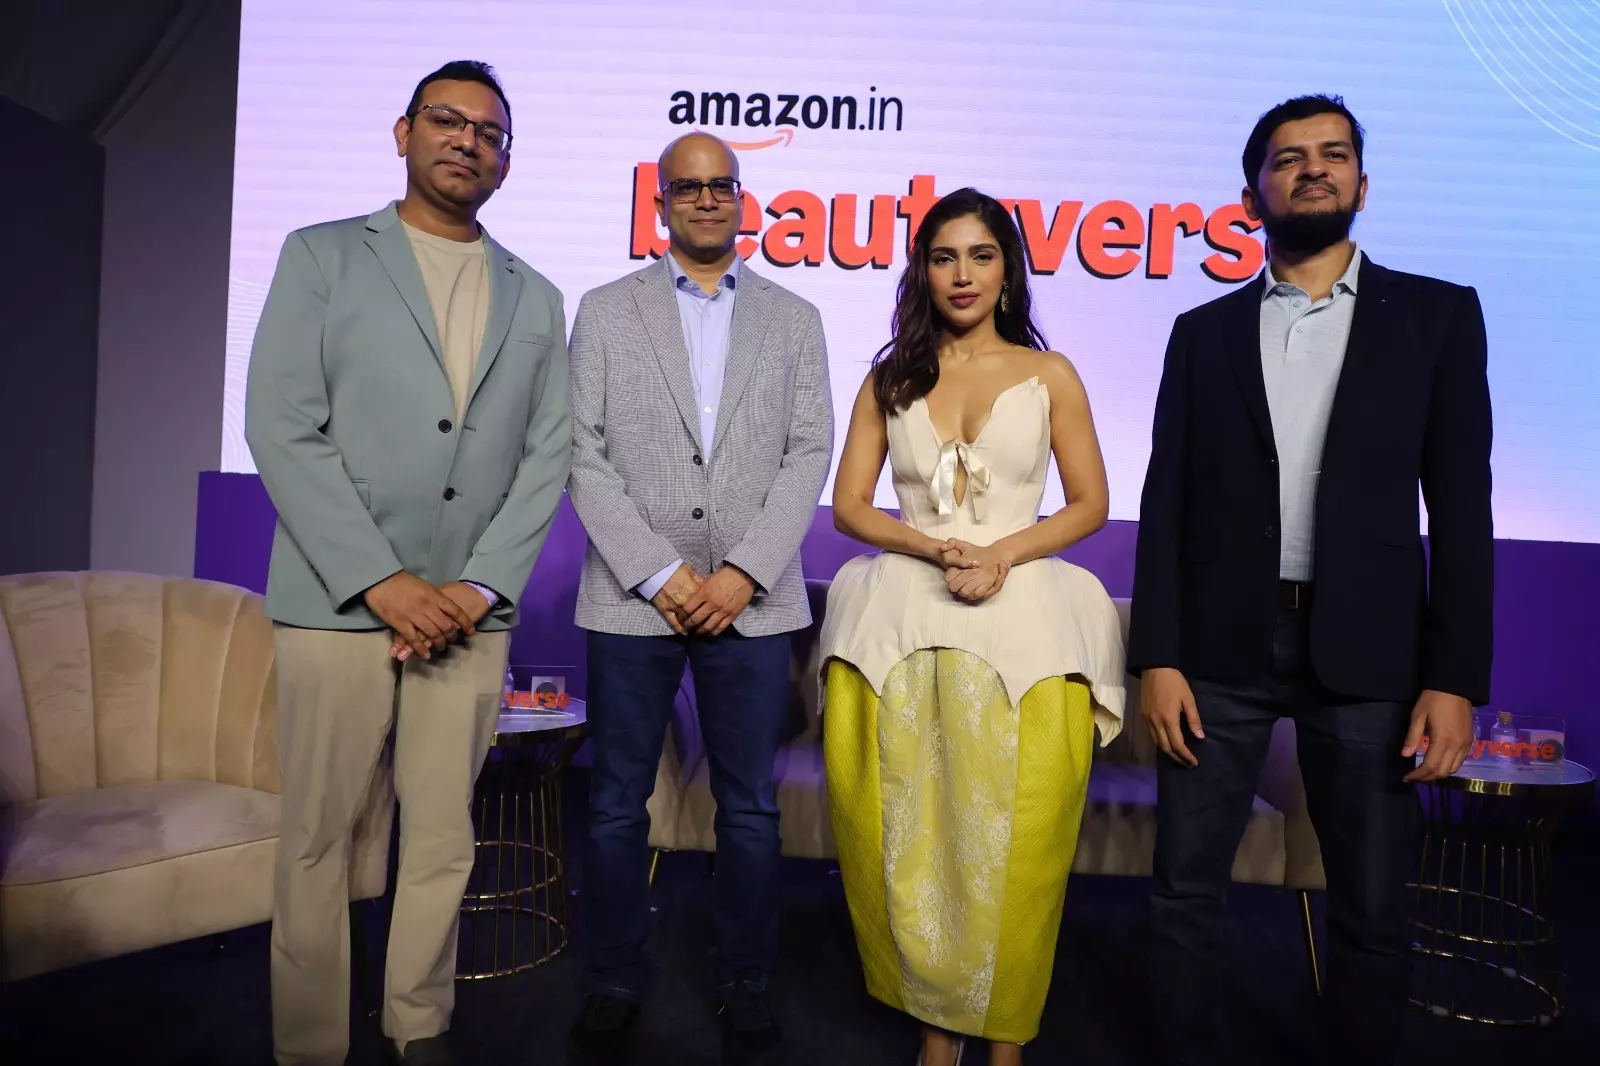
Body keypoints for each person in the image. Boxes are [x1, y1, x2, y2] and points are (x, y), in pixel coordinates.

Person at [1130, 94, 1492, 1066]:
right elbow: (1166, 503)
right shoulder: (1200, 332)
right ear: (1253, 196)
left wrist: (1454, 678)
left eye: (1333, 154)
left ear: (1362, 185)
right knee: (1183, 894)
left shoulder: (1437, 317)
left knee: (1373, 905)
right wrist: (1157, 656)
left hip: (1371, 652)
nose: (1314, 169)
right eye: (1288, 158)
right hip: (1218, 651)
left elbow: (1463, 510)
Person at [245, 61, 571, 1066]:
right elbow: (282, 424)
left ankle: (418, 1025)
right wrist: (381, 580)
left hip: (469, 618)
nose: (467, 140)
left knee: (441, 837)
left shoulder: (537, 295)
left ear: (506, 162)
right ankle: (309, 1043)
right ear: (403, 132)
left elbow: (547, 455)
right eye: (446, 120)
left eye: (489, 132)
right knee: (317, 837)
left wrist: (475, 587)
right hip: (336, 605)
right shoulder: (322, 255)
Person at [820, 188, 1127, 1066]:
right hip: (904, 614)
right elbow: (849, 506)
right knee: (916, 839)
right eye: (944, 256)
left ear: (1007, 270)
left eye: (981, 255)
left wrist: (1002, 554)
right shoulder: (890, 378)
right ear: (922, 270)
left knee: (1021, 844)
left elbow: (1091, 502)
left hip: (1026, 619)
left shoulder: (1051, 373)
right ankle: (935, 1026)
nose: (963, 274)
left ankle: (1007, 1033)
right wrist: (932, 545)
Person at [564, 131, 834, 1060]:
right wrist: (660, 573)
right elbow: (581, 453)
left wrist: (743, 572)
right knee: (614, 806)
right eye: (690, 187)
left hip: (751, 601)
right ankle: (612, 978)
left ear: (743, 199)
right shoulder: (606, 311)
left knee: (749, 809)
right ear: (661, 203)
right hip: (632, 597)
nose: (708, 199)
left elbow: (809, 452)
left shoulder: (795, 318)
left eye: (723, 185)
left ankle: (746, 980)